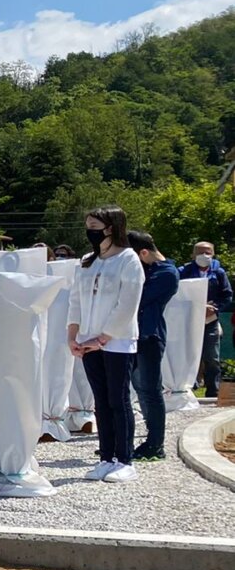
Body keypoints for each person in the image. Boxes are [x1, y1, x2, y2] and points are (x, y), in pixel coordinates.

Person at [68, 207, 144, 483]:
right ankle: (106, 457)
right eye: (87, 224)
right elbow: (75, 300)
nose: (90, 230)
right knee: (100, 400)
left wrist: (103, 338)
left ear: (110, 227)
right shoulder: (88, 261)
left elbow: (128, 303)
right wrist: (73, 336)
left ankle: (124, 459)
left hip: (117, 341)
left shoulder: (128, 259)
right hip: (88, 342)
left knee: (118, 399)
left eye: (94, 225)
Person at [129, 231, 179, 463]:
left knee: (150, 390)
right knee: (140, 389)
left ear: (144, 253)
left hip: (149, 336)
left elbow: (138, 297)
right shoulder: (150, 269)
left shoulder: (167, 272)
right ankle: (135, 440)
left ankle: (155, 443)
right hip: (135, 335)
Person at [180, 240, 233, 399]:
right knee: (187, 355)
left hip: (210, 321)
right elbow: (178, 293)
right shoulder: (184, 271)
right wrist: (197, 307)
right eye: (200, 252)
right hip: (188, 320)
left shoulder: (219, 273)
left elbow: (227, 295)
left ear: (213, 254)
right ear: (193, 254)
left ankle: (213, 391)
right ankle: (188, 389)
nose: (204, 255)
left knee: (212, 357)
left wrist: (215, 309)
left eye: (207, 252)